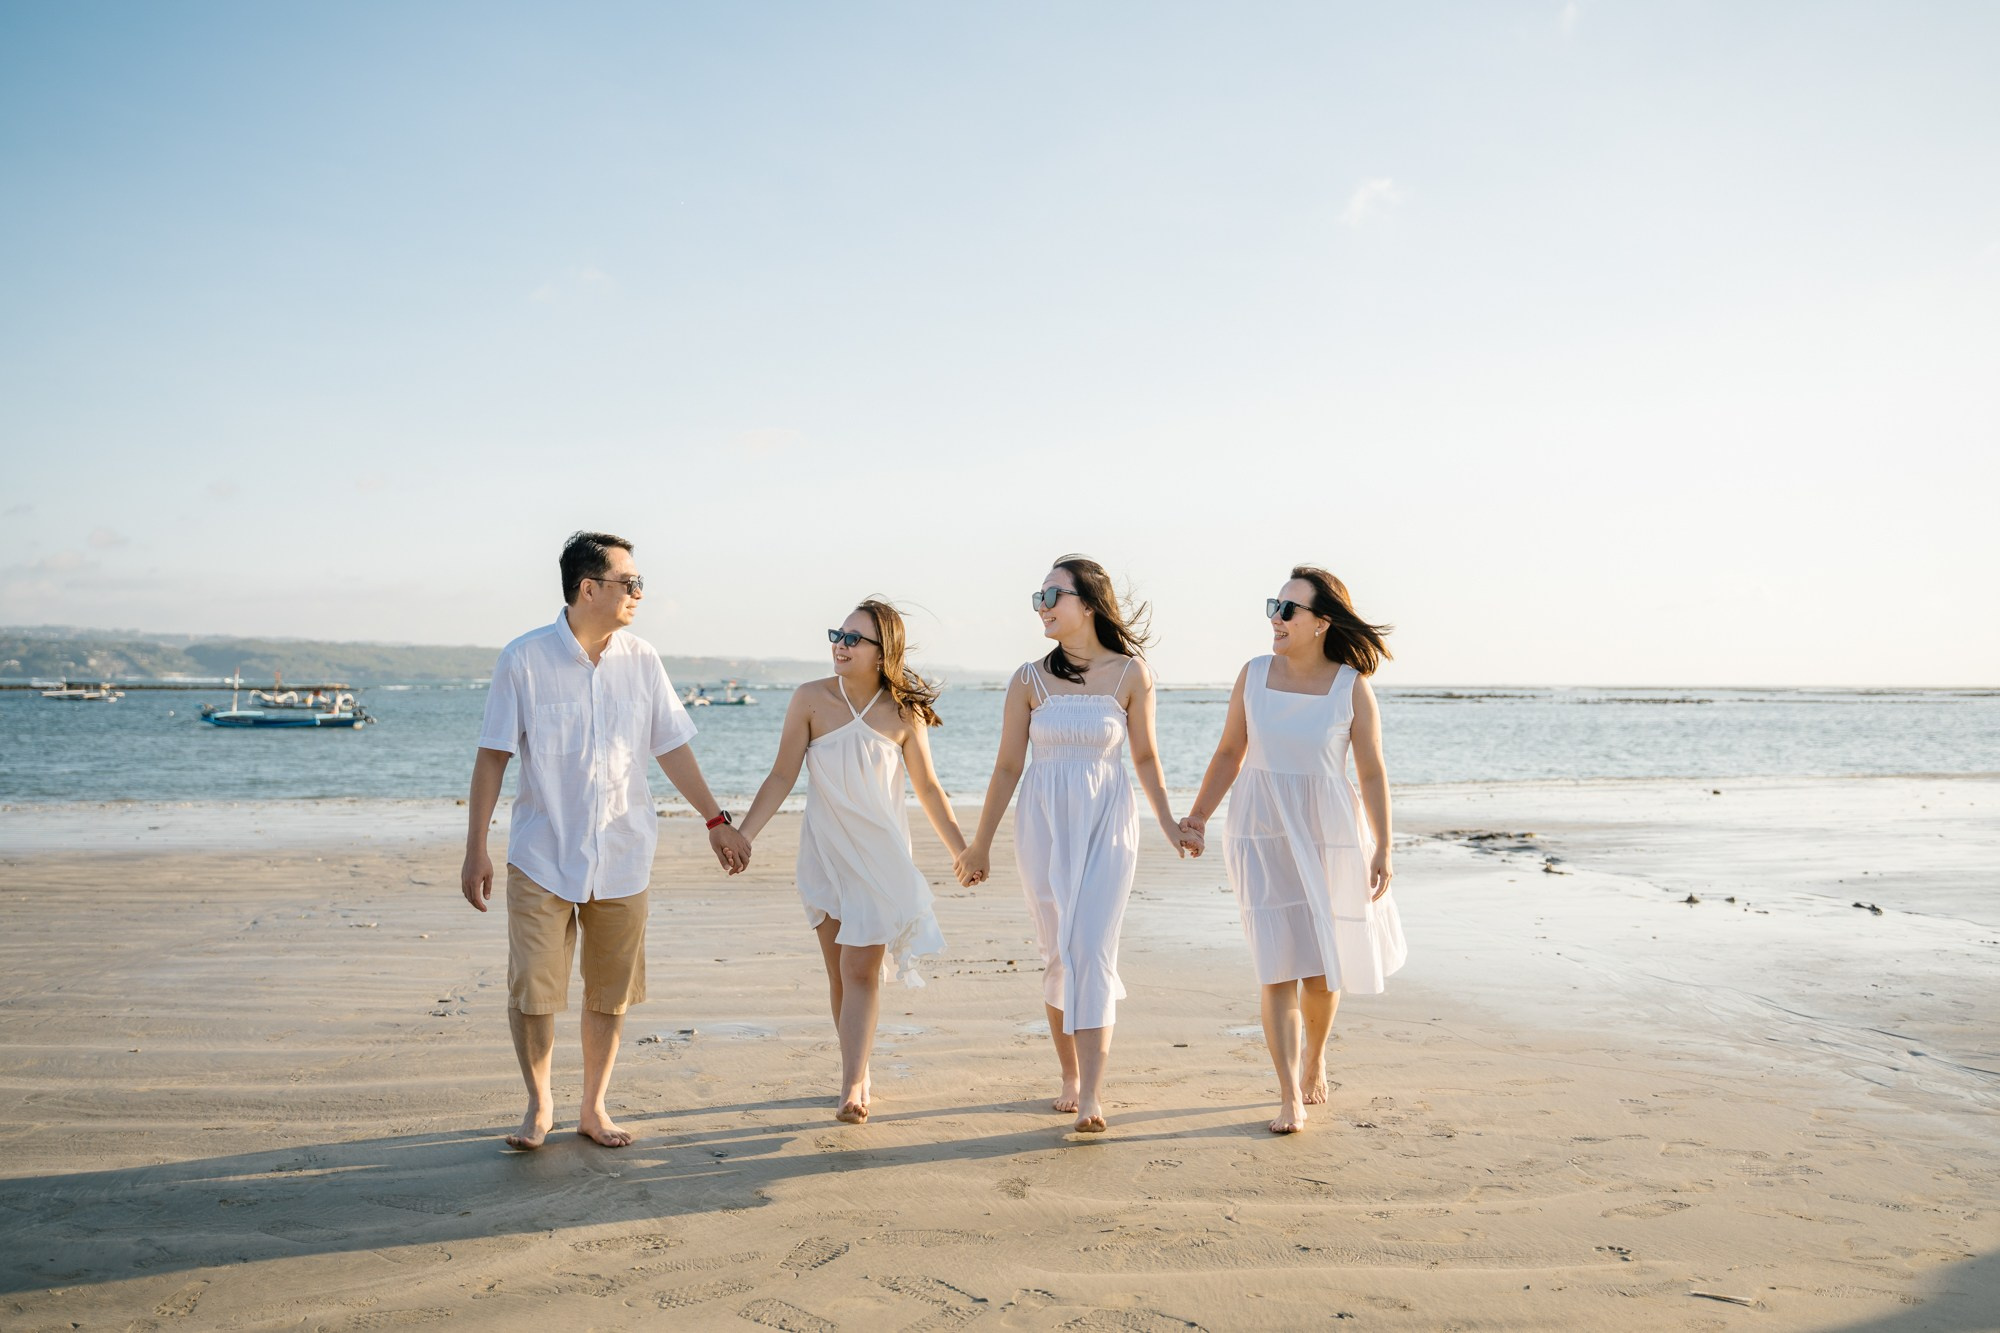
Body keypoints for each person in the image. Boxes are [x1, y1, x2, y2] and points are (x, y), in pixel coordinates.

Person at [460, 531, 751, 1151]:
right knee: (534, 988)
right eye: (630, 583)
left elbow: (670, 745)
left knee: (611, 989)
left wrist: (715, 820)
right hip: (542, 852)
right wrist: (475, 847)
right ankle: (540, 1106)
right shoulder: (523, 659)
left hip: (623, 852)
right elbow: (492, 758)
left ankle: (593, 1108)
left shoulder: (643, 659)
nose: (640, 594)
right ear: (587, 589)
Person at [957, 555, 1190, 1133]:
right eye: (1038, 598)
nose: (1042, 607)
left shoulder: (1132, 674)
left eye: (1052, 596)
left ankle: (1092, 1094)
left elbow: (1145, 758)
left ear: (1087, 604)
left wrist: (1170, 822)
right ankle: (1068, 1075)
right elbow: (1009, 764)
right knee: (1057, 951)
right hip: (1043, 822)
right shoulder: (1027, 679)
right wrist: (978, 845)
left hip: (1108, 820)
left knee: (1091, 948)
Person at [1179, 566, 1405, 1134]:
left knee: (1322, 966)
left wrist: (1384, 846)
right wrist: (1199, 816)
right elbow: (1231, 750)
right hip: (1259, 830)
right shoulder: (1253, 675)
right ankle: (1287, 1096)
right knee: (1277, 964)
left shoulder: (1350, 686)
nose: (1275, 620)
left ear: (1321, 623)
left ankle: (1316, 1055)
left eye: (1288, 611)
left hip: (1330, 831)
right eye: (1273, 607)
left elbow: (1372, 772)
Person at [738, 599, 965, 1124]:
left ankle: (852, 1085)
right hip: (824, 853)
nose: (840, 644)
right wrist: (744, 835)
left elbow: (929, 789)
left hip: (879, 859)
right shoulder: (810, 699)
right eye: (837, 634)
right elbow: (780, 776)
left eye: (853, 638)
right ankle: (857, 1068)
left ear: (883, 651)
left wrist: (962, 849)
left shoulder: (903, 713)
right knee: (841, 976)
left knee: (861, 970)